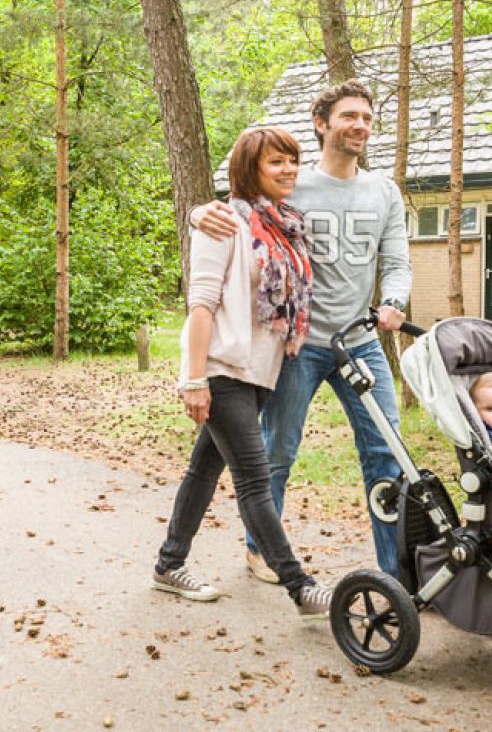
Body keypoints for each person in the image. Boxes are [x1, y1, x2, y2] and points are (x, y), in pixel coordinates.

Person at [191, 80, 412, 581]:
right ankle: (261, 550)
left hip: (360, 343)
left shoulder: (384, 192)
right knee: (279, 450)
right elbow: (237, 210)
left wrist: (394, 302)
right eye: (349, 116)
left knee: (387, 454)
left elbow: (397, 263)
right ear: (322, 124)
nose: (360, 125)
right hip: (299, 346)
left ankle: (397, 571)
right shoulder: (293, 184)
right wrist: (197, 213)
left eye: (367, 117)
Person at [152, 126, 332, 620]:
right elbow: (202, 305)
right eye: (277, 162)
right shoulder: (224, 221)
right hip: (224, 369)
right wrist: (194, 379)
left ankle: (170, 565)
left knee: (204, 469)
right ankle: (301, 586)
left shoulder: (285, 225)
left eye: (293, 161)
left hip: (260, 372)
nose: (289, 170)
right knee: (254, 479)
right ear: (249, 168)